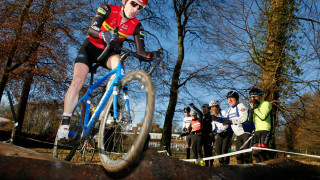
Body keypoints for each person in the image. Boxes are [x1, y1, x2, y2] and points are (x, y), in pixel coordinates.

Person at [57, 0, 162, 141]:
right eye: (133, 3)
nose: (136, 9)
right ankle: (65, 123)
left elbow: (141, 52)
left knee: (120, 64)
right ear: (124, 1)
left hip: (108, 53)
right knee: (77, 81)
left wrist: (151, 55)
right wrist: (102, 34)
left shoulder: (137, 26)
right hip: (90, 49)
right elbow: (92, 29)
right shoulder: (106, 8)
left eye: (140, 7)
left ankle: (102, 109)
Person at [222, 91, 254, 164]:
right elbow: (226, 120)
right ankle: (241, 174)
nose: (229, 100)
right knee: (239, 156)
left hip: (246, 133)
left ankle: (250, 173)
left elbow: (244, 118)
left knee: (246, 155)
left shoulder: (240, 105)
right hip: (238, 135)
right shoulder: (229, 110)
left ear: (236, 99)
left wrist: (232, 121)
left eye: (232, 98)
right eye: (228, 98)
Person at [248, 88, 272, 163]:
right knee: (255, 152)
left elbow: (262, 117)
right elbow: (251, 120)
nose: (253, 99)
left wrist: (255, 109)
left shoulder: (266, 104)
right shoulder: (255, 106)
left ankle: (266, 168)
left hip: (265, 129)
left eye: (255, 96)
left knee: (261, 152)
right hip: (257, 130)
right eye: (251, 97)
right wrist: (251, 110)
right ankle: (259, 168)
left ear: (260, 96)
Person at [210, 100, 233, 165]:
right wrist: (213, 131)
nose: (213, 109)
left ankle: (226, 165)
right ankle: (221, 164)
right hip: (220, 133)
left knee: (224, 150)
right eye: (212, 107)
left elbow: (226, 125)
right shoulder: (213, 114)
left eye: (214, 107)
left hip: (227, 132)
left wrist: (217, 131)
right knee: (217, 150)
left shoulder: (223, 112)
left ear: (217, 107)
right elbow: (214, 124)